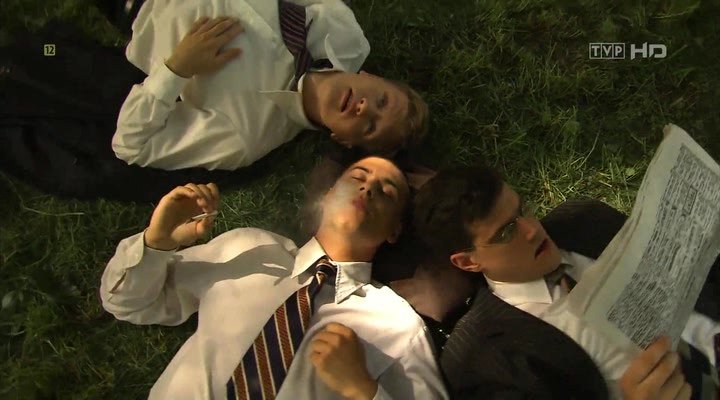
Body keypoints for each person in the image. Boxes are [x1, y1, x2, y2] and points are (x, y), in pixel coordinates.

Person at [0, 0, 428, 202]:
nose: (365, 108)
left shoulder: (248, 136)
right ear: (371, 77)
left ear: (343, 139)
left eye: (369, 126)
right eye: (382, 101)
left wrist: (176, 69)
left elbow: (131, 144)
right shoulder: (342, 32)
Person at [99, 156, 448, 399]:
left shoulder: (396, 326)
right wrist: (157, 242)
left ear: (394, 231)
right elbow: (126, 303)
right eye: (358, 177)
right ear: (328, 195)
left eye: (386, 192)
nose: (368, 188)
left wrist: (365, 392)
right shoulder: (249, 247)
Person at [398, 165, 719, 399]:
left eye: (522, 210)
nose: (532, 229)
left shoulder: (584, 219)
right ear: (468, 262)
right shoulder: (480, 357)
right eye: (507, 232)